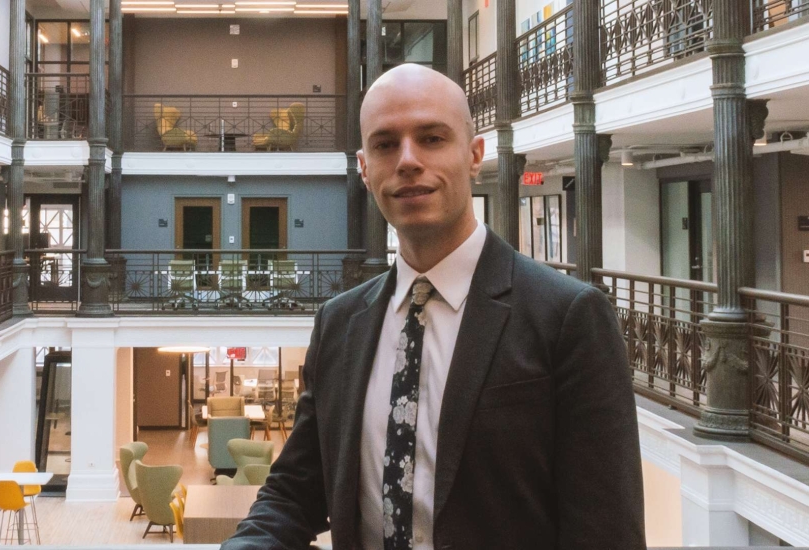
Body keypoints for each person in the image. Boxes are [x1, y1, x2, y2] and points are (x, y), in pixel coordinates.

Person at [222, 64, 645, 550]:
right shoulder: (339, 323)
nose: (407, 160)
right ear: (364, 168)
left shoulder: (568, 317)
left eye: (431, 138)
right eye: (385, 144)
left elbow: (605, 531)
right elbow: (296, 491)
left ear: (474, 155)